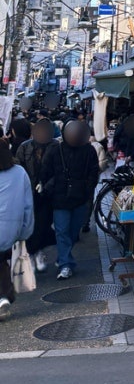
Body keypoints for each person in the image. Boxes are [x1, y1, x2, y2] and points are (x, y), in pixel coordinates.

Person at [40, 120, 98, 280]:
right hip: (59, 199)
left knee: (73, 231)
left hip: (80, 198)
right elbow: (45, 171)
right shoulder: (55, 150)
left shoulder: (89, 151)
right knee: (62, 231)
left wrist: (87, 189)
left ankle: (62, 257)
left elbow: (94, 172)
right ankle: (66, 265)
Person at [0, 137, 34, 321]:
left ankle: (4, 295)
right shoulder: (19, 172)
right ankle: (4, 295)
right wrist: (24, 233)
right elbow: (28, 206)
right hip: (11, 230)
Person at [16, 118, 57, 272]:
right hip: (27, 193)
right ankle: (32, 254)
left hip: (48, 194)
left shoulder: (55, 146)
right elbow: (18, 168)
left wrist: (47, 186)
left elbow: (59, 170)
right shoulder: (24, 147)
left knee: (43, 224)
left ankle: (37, 253)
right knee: (29, 225)